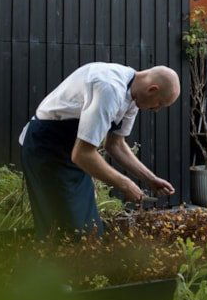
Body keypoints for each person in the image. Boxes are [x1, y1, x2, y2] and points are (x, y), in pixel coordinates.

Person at [19, 62, 180, 237]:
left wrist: (151, 179)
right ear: (152, 89)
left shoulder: (134, 97)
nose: (156, 110)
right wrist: (126, 185)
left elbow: (115, 144)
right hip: (47, 148)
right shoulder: (109, 88)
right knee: (63, 230)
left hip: (72, 151)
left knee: (89, 229)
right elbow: (82, 154)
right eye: (160, 104)